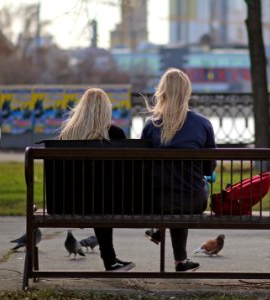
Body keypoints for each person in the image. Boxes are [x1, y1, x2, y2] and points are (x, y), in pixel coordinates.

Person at [141, 68, 217, 272]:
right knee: (183, 194)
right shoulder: (202, 124)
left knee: (172, 197)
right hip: (193, 199)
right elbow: (209, 168)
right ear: (187, 92)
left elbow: (142, 166)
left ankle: (159, 229)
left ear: (162, 92)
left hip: (157, 201)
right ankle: (180, 262)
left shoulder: (151, 125)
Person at [59, 87, 135, 272]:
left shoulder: (67, 134)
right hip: (106, 204)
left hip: (68, 204)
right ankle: (109, 260)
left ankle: (110, 260)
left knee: (97, 198)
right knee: (102, 198)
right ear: (105, 109)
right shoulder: (114, 134)